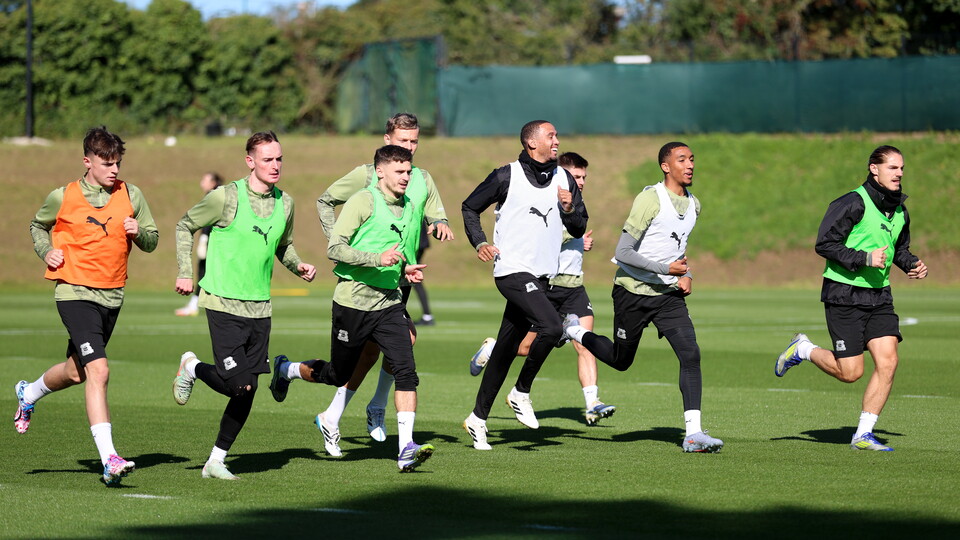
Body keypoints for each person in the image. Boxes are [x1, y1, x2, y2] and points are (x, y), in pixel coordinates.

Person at [287, 112, 451, 456]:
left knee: (402, 344)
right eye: (403, 142)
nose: (410, 147)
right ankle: (311, 390)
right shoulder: (366, 179)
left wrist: (437, 225)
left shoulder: (419, 179)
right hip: (359, 284)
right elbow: (325, 201)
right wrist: (345, 248)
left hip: (397, 278)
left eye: (415, 141)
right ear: (387, 140)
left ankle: (382, 414)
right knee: (356, 360)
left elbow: (431, 212)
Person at [14, 126, 159, 485]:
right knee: (99, 371)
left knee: (77, 371)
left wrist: (137, 231)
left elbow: (152, 241)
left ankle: (28, 392)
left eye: (118, 163)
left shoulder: (132, 194)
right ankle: (109, 459)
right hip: (74, 292)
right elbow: (37, 225)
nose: (114, 169)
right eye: (107, 163)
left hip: (112, 295)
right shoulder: (63, 195)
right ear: (87, 161)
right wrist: (46, 251)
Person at [171, 131, 316, 480]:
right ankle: (191, 367)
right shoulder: (225, 197)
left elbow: (284, 245)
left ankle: (215, 461)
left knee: (247, 389)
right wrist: (185, 272)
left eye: (279, 158)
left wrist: (298, 265)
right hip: (222, 302)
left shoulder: (286, 203)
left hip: (260, 309)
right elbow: (184, 225)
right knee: (239, 384)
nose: (276, 165)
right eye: (268, 159)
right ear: (250, 161)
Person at [562, 142, 724, 453]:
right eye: (682, 159)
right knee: (621, 361)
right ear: (666, 166)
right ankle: (573, 330)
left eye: (692, 159)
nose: (690, 164)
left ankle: (693, 434)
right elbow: (623, 252)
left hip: (667, 296)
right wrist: (668, 268)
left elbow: (678, 251)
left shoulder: (694, 205)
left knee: (690, 354)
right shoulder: (650, 199)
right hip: (632, 293)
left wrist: (686, 275)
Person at [775, 145, 927, 452]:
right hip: (844, 294)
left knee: (889, 362)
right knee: (851, 373)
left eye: (901, 169)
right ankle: (803, 349)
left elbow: (896, 248)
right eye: (892, 168)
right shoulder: (852, 202)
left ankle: (863, 435)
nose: (899, 174)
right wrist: (864, 258)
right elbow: (826, 243)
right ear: (874, 168)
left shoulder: (899, 210)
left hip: (880, 295)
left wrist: (912, 264)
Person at [460, 120, 588, 450]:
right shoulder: (506, 175)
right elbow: (470, 206)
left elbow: (578, 228)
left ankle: (477, 418)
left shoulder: (565, 179)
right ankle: (521, 391)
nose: (557, 140)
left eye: (558, 134)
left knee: (503, 351)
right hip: (512, 271)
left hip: (542, 277)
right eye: (551, 136)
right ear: (532, 143)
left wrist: (569, 207)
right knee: (551, 327)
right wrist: (479, 242)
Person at [468, 152, 615, 426]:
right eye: (576, 176)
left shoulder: (571, 201)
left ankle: (592, 402)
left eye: (584, 177)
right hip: (545, 284)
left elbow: (576, 224)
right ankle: (496, 351)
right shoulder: (545, 194)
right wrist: (574, 239)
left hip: (574, 286)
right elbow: (538, 235)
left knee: (584, 343)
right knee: (524, 346)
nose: (580, 182)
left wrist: (574, 224)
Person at [175, 171, 224, 316]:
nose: (202, 182)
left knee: (203, 273)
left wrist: (204, 239)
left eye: (205, 179)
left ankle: (194, 305)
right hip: (214, 242)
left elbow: (211, 221)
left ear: (213, 182)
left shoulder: (214, 197)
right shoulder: (215, 196)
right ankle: (195, 304)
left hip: (214, 243)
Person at [411, 222, 436, 326]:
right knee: (414, 279)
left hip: (415, 244)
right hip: (420, 242)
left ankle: (427, 315)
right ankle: (427, 315)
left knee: (412, 277)